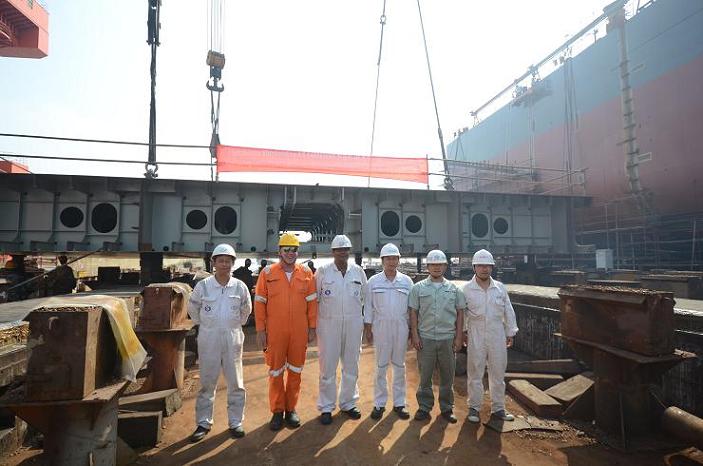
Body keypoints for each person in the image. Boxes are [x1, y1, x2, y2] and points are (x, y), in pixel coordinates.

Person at [187, 243, 252, 442]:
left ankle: (236, 422)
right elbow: (193, 308)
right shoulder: (203, 286)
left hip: (233, 337)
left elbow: (246, 310)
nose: (224, 264)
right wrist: (206, 325)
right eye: (221, 261)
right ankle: (203, 423)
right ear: (213, 263)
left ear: (233, 264)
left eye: (228, 261)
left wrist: (233, 325)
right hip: (209, 338)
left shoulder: (239, 286)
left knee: (236, 382)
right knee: (207, 382)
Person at [255, 233, 318, 431]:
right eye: (287, 249)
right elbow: (259, 302)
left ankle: (291, 409)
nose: (291, 253)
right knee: (275, 372)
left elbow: (312, 303)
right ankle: (277, 411)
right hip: (275, 331)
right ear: (280, 252)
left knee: (296, 371)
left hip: (299, 331)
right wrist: (260, 330)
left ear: (298, 252)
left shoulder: (306, 273)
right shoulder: (267, 273)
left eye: (294, 250)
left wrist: (312, 327)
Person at [408, 249, 466, 423]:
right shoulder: (418, 288)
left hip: (447, 338)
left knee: (447, 376)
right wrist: (415, 335)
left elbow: (460, 314)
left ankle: (447, 408)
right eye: (433, 264)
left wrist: (459, 337)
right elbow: (413, 313)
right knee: (425, 375)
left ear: (445, 267)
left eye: (440, 264)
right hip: (425, 339)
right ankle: (424, 407)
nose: (436, 267)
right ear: (427, 267)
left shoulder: (454, 289)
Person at [462, 249, 518, 424]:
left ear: (492, 267)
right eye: (480, 265)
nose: (484, 269)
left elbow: (508, 311)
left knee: (498, 372)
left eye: (487, 266)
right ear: (474, 267)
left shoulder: (500, 288)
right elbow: (462, 313)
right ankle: (474, 407)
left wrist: (510, 332)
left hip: (497, 333)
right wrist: (463, 332)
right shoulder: (466, 289)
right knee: (475, 371)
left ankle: (498, 408)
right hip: (475, 332)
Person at [315, 235, 367, 425]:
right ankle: (326, 406)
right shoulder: (322, 272)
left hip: (353, 324)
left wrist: (365, 322)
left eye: (346, 249)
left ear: (349, 251)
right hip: (328, 324)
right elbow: (315, 299)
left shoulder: (358, 272)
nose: (343, 252)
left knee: (351, 365)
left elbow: (365, 298)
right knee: (327, 366)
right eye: (339, 249)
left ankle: (348, 403)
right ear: (333, 251)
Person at [364, 243, 413, 420]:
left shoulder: (407, 282)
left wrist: (411, 330)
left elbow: (412, 309)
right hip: (381, 326)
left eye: (394, 258)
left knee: (399, 365)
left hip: (401, 326)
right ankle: (379, 403)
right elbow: (368, 307)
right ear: (382, 260)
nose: (391, 261)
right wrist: (368, 329)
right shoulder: (373, 282)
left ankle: (399, 403)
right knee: (381, 365)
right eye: (388, 258)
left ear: (399, 260)